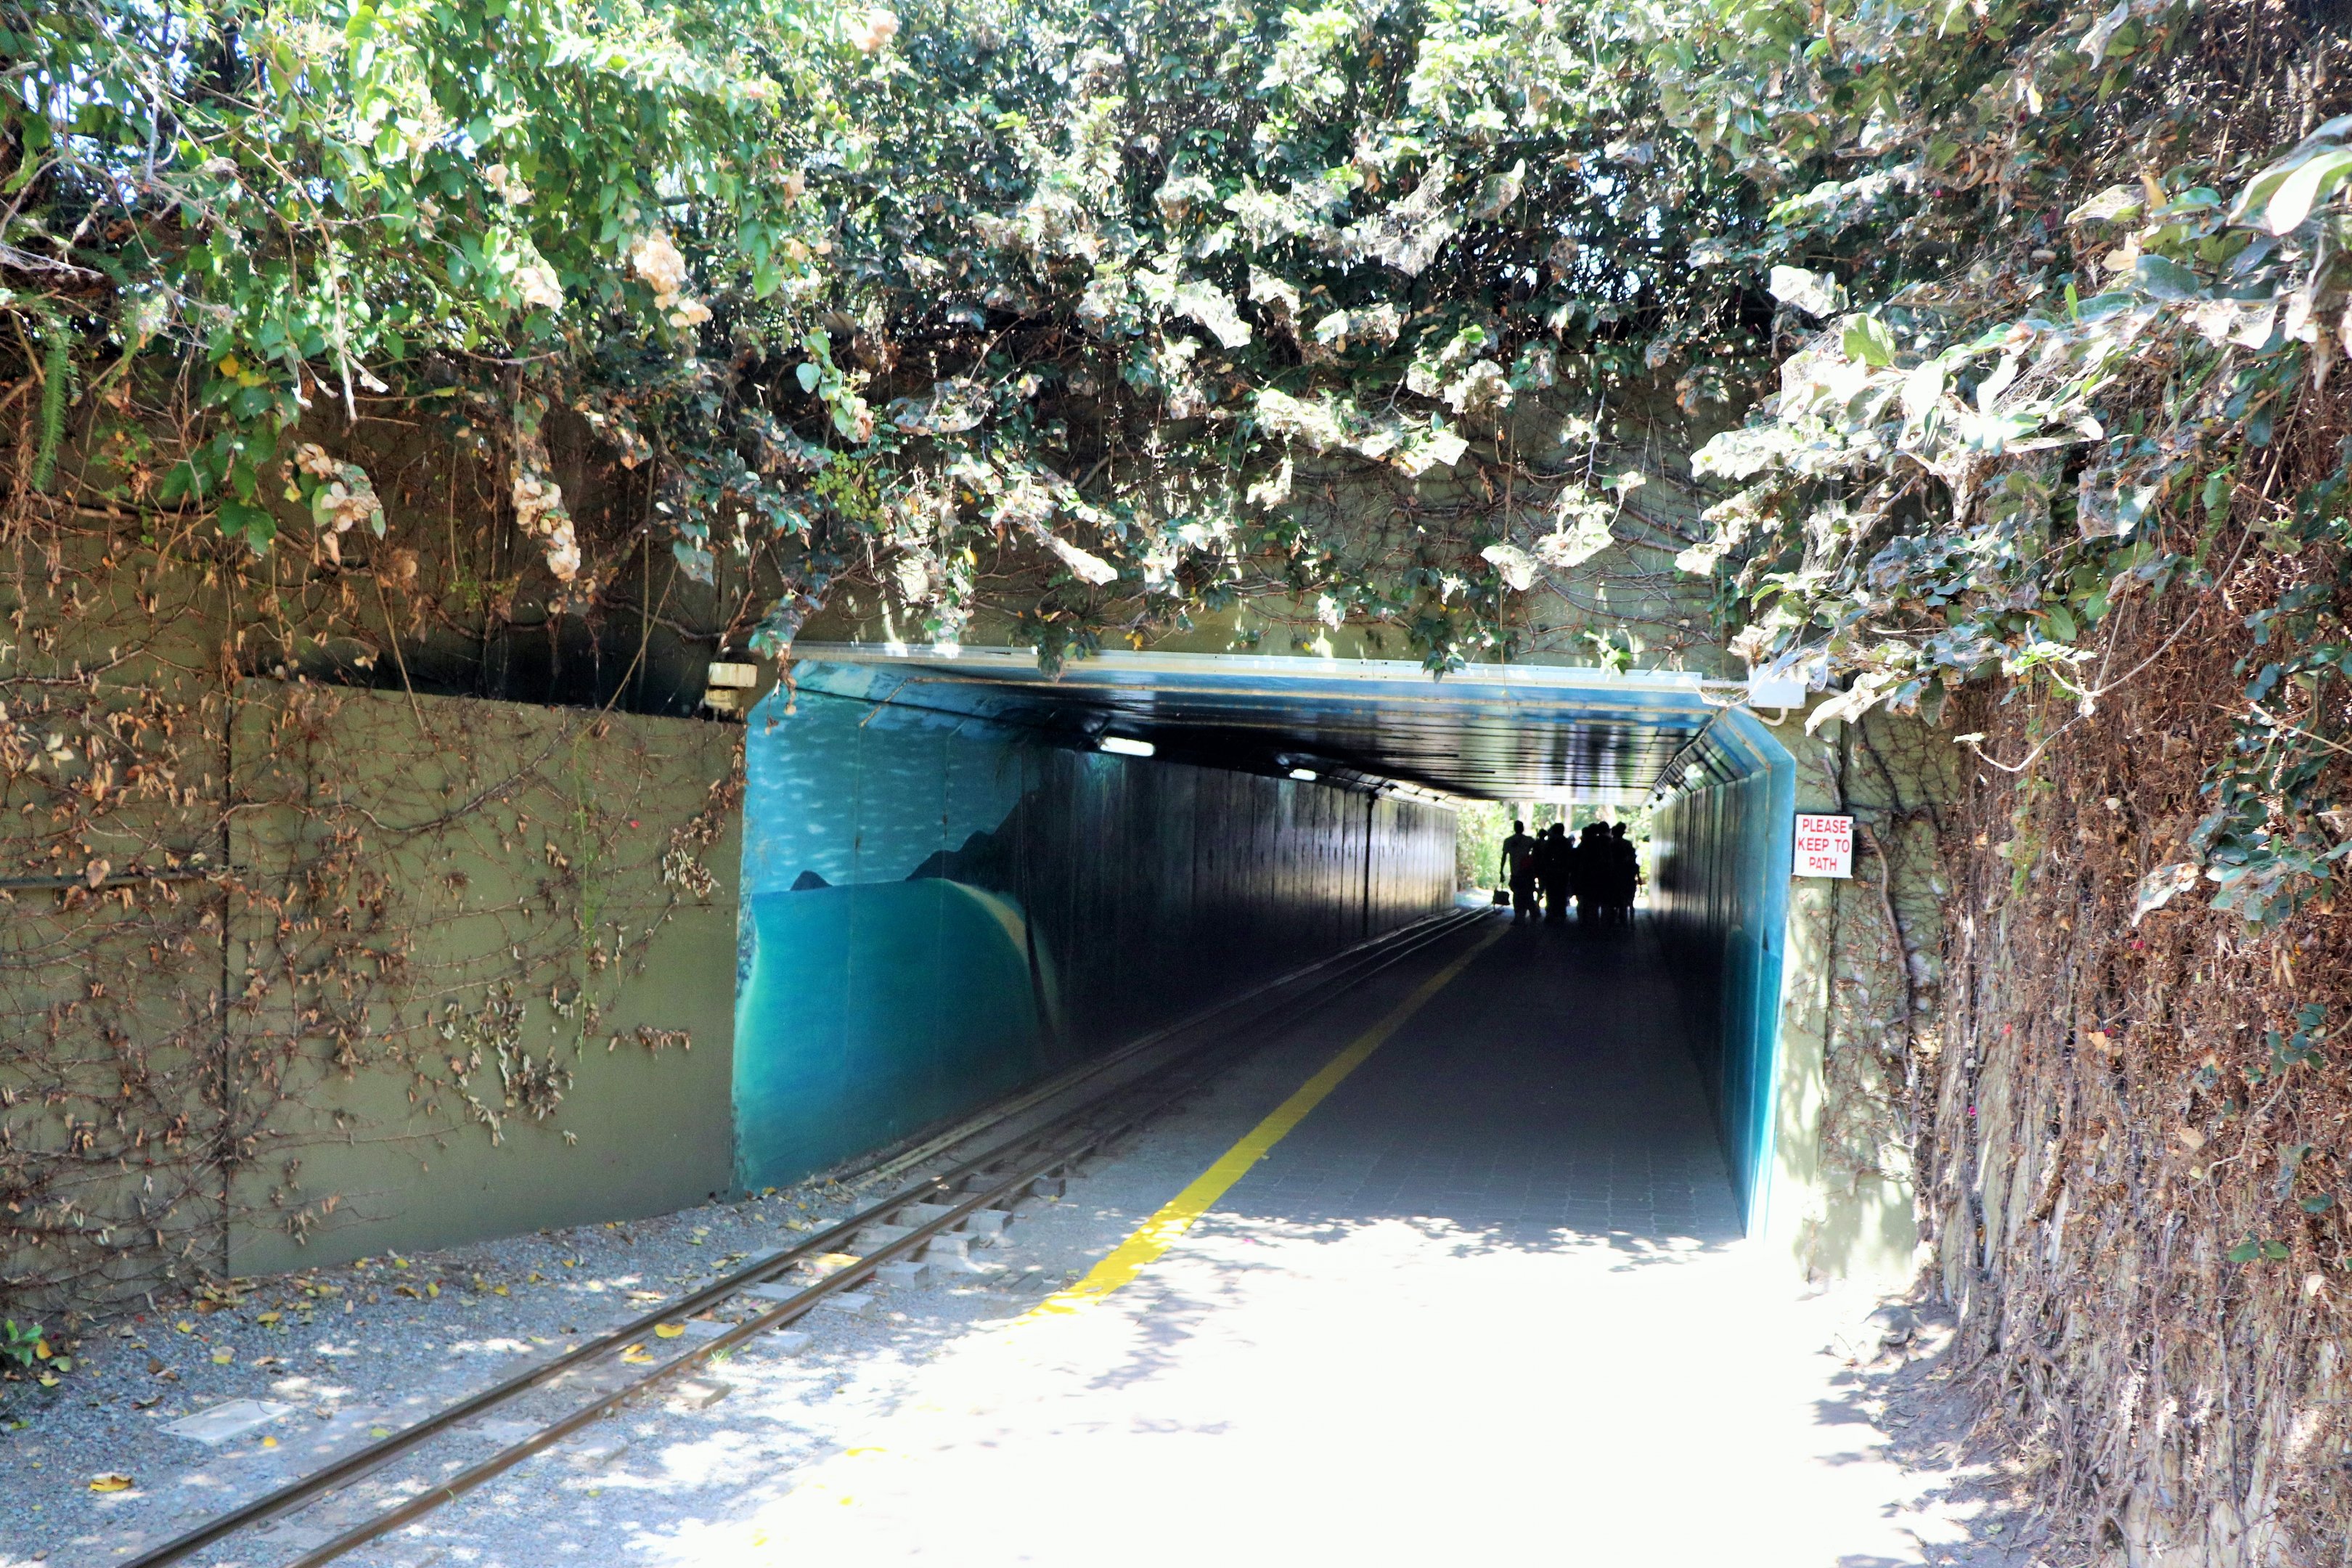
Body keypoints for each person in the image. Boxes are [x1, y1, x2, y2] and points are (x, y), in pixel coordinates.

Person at [1500, 819, 1539, 920]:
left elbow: (1504, 857)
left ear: (1514, 829)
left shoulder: (1508, 841)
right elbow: (1536, 854)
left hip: (1515, 872)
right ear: (1523, 829)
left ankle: (1518, 916)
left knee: (1517, 895)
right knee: (1528, 894)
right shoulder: (1529, 840)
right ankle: (1533, 913)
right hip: (1527, 872)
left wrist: (1501, 871)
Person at [1573, 822, 1611, 924]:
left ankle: (1589, 923)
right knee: (1605, 903)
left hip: (1589, 877)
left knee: (1590, 903)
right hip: (1605, 877)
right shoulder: (1608, 843)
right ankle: (1604, 924)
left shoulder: (1587, 844)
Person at [1540, 822, 1573, 923]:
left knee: (1551, 893)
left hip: (1551, 871)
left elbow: (1544, 856)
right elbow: (1570, 857)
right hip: (1563, 872)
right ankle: (1561, 913)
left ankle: (1550, 913)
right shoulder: (1566, 842)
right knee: (1562, 893)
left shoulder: (1550, 842)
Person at [1609, 821, 1638, 923]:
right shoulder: (1628, 844)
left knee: (1612, 899)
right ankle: (1625, 919)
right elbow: (1632, 860)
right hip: (1626, 876)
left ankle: (1612, 919)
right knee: (1625, 899)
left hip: (1612, 876)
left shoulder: (1610, 845)